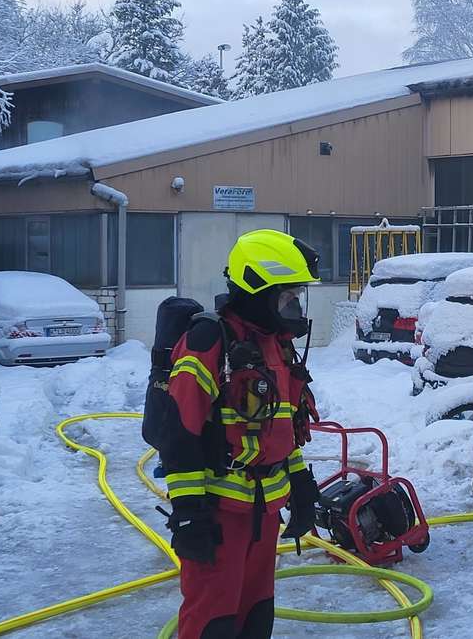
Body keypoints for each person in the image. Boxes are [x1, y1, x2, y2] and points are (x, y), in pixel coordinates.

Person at [161, 229, 323, 639]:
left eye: (296, 297)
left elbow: (280, 425)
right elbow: (180, 435)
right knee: (212, 622)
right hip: (217, 517)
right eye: (287, 297)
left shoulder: (275, 344)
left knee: (255, 616)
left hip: (263, 515)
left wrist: (301, 483)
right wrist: (189, 514)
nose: (294, 308)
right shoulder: (208, 340)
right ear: (257, 290)